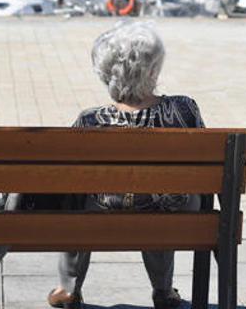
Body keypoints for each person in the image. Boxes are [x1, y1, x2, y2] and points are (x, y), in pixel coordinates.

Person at [47, 22, 205, 309]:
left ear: (106, 74)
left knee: (76, 200)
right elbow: (204, 169)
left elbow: (64, 176)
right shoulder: (184, 109)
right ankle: (164, 292)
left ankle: (67, 287)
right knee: (166, 195)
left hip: (104, 211)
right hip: (175, 215)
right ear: (153, 71)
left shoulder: (89, 120)